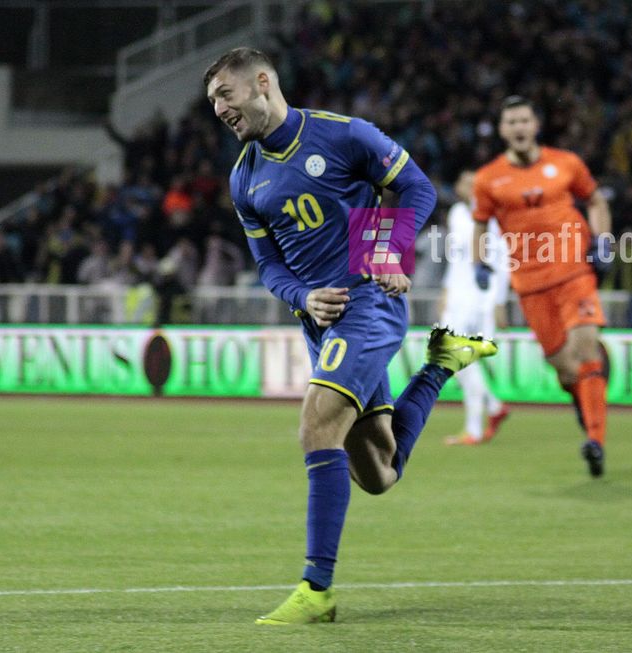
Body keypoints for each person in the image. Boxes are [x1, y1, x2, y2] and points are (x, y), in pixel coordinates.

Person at [203, 47, 497, 625]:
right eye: (212, 101)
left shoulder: (341, 135)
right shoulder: (244, 177)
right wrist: (301, 297)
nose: (218, 109)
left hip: (368, 302)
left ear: (262, 82)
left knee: (317, 424)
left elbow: (414, 188)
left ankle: (317, 590)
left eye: (225, 95)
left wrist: (382, 249)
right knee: (379, 473)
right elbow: (268, 266)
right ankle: (440, 364)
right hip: (320, 320)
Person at [472, 96, 612, 477]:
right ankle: (587, 399)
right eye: (510, 121)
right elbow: (481, 224)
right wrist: (479, 261)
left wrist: (603, 240)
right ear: (503, 131)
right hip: (530, 285)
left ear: (536, 125)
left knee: (585, 350)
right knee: (566, 370)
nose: (518, 127)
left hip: (573, 273)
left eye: (524, 119)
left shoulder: (566, 163)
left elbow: (596, 200)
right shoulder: (488, 179)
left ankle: (595, 440)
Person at [440, 170, 511, 445]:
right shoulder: (457, 213)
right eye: (464, 182)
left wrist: (499, 302)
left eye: (474, 183)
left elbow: (503, 259)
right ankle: (493, 408)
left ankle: (476, 427)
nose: (468, 187)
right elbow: (455, 258)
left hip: (480, 297)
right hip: (457, 295)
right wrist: (446, 290)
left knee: (458, 358)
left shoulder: (492, 216)